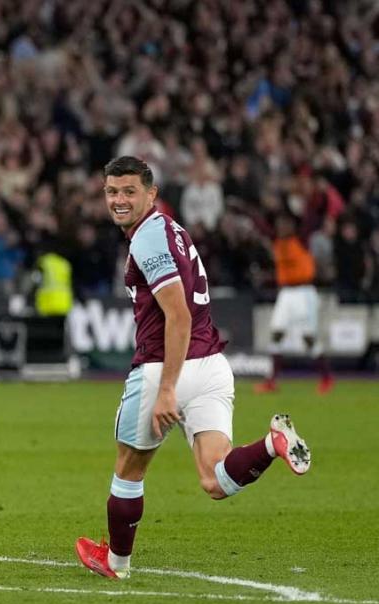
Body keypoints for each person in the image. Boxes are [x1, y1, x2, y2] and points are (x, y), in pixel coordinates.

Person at [75, 157, 311, 580]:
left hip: (166, 367)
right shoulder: (174, 231)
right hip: (212, 367)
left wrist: (167, 389)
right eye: (112, 192)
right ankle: (273, 445)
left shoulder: (147, 239)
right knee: (215, 479)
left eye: (129, 191)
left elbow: (177, 315)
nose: (119, 200)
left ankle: (116, 563)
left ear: (151, 194)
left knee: (129, 469)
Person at [255, 213, 334, 394]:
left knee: (308, 337)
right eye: (280, 225)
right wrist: (246, 211)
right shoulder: (277, 242)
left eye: (286, 225)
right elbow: (261, 227)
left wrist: (321, 199)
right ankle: (272, 381)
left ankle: (326, 378)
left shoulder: (302, 240)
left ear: (293, 227)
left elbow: (314, 218)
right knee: (276, 332)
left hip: (303, 292)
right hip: (285, 293)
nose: (282, 228)